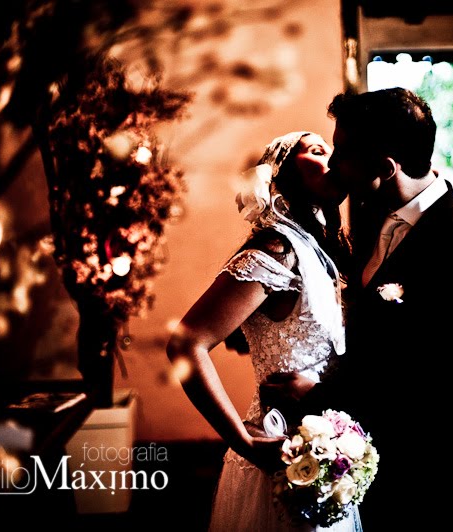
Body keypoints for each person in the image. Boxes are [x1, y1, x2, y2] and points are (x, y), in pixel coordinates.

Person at [261, 88, 453, 528]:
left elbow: (434, 380)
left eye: (343, 153)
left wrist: (318, 397)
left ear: (386, 168)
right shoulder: (371, 214)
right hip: (358, 469)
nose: (333, 163)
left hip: (426, 476)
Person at [166, 131, 361, 531]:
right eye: (317, 150)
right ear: (283, 175)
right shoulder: (275, 250)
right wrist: (244, 442)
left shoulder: (325, 251)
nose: (332, 157)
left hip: (333, 452)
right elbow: (186, 343)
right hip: (278, 450)